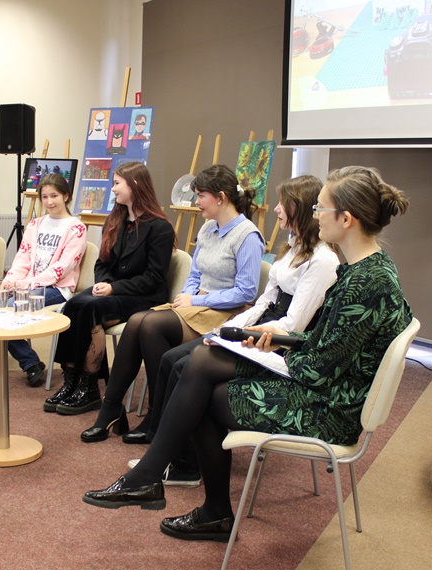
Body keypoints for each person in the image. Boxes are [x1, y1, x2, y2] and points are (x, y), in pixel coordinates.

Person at [83, 166, 413, 544]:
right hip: (324, 389)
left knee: (204, 375)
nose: (315, 215)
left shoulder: (366, 282)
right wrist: (275, 344)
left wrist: (271, 351)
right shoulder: (366, 270)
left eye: (320, 208)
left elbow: (319, 369)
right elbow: (324, 343)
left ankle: (169, 487)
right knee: (203, 371)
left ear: (346, 219)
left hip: (331, 411)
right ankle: (191, 500)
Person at [115, 174, 341, 486]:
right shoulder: (294, 247)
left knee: (186, 366)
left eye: (283, 204)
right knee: (170, 360)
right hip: (259, 329)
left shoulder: (323, 261)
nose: (275, 210)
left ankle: (181, 464)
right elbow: (264, 301)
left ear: (299, 210)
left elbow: (293, 325)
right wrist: (228, 329)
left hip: (276, 345)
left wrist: (242, 337)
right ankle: (173, 454)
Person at [79, 164, 264, 441]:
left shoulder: (247, 235)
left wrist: (197, 298)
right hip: (197, 305)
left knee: (150, 325)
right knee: (138, 324)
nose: (197, 202)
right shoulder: (208, 229)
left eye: (201, 196)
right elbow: (195, 274)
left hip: (226, 313)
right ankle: (111, 410)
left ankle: (157, 415)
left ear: (221, 197)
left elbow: (246, 293)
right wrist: (186, 298)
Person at [44, 162, 175, 415]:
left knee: (91, 309)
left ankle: (89, 385)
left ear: (134, 184)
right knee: (72, 305)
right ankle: (71, 378)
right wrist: (105, 282)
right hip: (113, 291)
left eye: (117, 183)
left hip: (144, 296)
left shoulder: (160, 227)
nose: (112, 189)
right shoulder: (116, 220)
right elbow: (102, 262)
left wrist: (113, 288)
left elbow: (154, 278)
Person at [0, 173, 88, 396]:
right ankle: (30, 363)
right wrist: (10, 282)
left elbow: (61, 269)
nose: (49, 202)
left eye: (54, 196)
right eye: (44, 197)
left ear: (66, 196)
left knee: (11, 310)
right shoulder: (35, 225)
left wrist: (25, 284)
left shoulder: (76, 228)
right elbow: (22, 259)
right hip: (27, 284)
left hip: (56, 288)